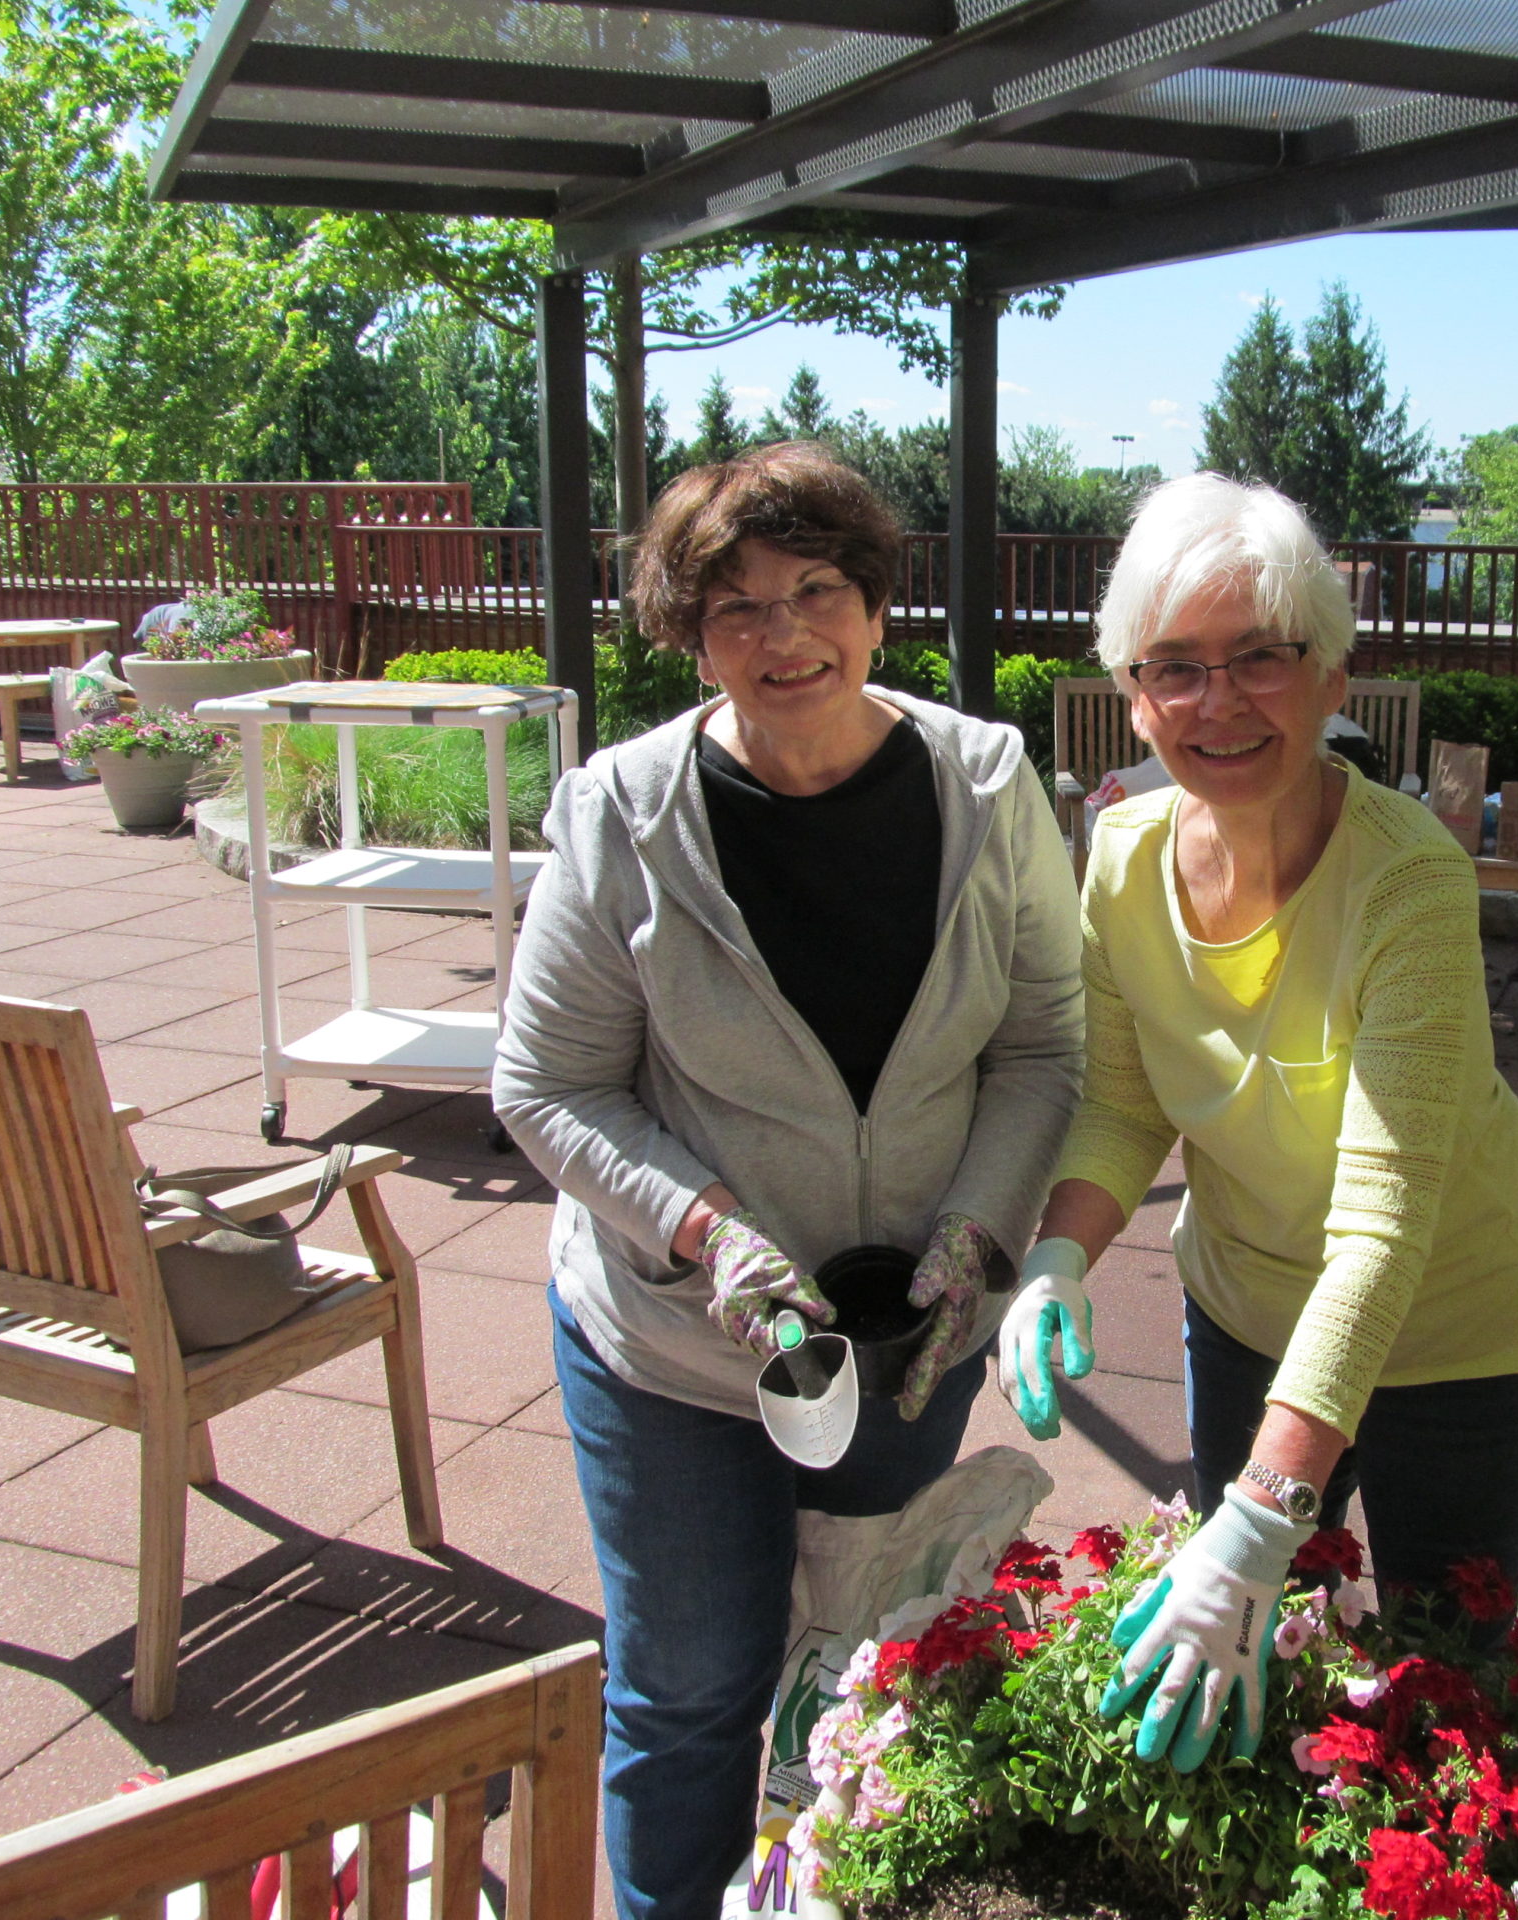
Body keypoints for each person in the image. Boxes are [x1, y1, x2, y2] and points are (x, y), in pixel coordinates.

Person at [493, 442, 1083, 1916]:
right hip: (678, 1347)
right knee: (690, 1691)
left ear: (878, 607)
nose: (783, 632)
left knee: (861, 1676)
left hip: (907, 1341)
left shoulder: (988, 782)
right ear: (691, 638)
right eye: (735, 606)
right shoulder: (620, 812)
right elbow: (545, 1085)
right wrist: (708, 1235)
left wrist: (977, 1237)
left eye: (816, 588)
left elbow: (1044, 1047)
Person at [994, 472, 1518, 1774]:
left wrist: (1268, 1507)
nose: (1218, 704)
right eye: (1175, 669)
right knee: (1251, 1670)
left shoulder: (1409, 881)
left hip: (1450, 1327)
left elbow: (1383, 1227)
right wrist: (1056, 1259)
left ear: (1332, 677)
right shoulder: (1120, 856)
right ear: (1133, 693)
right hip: (1247, 1315)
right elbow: (1121, 1100)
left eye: (1259, 658)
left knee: (1451, 1690)